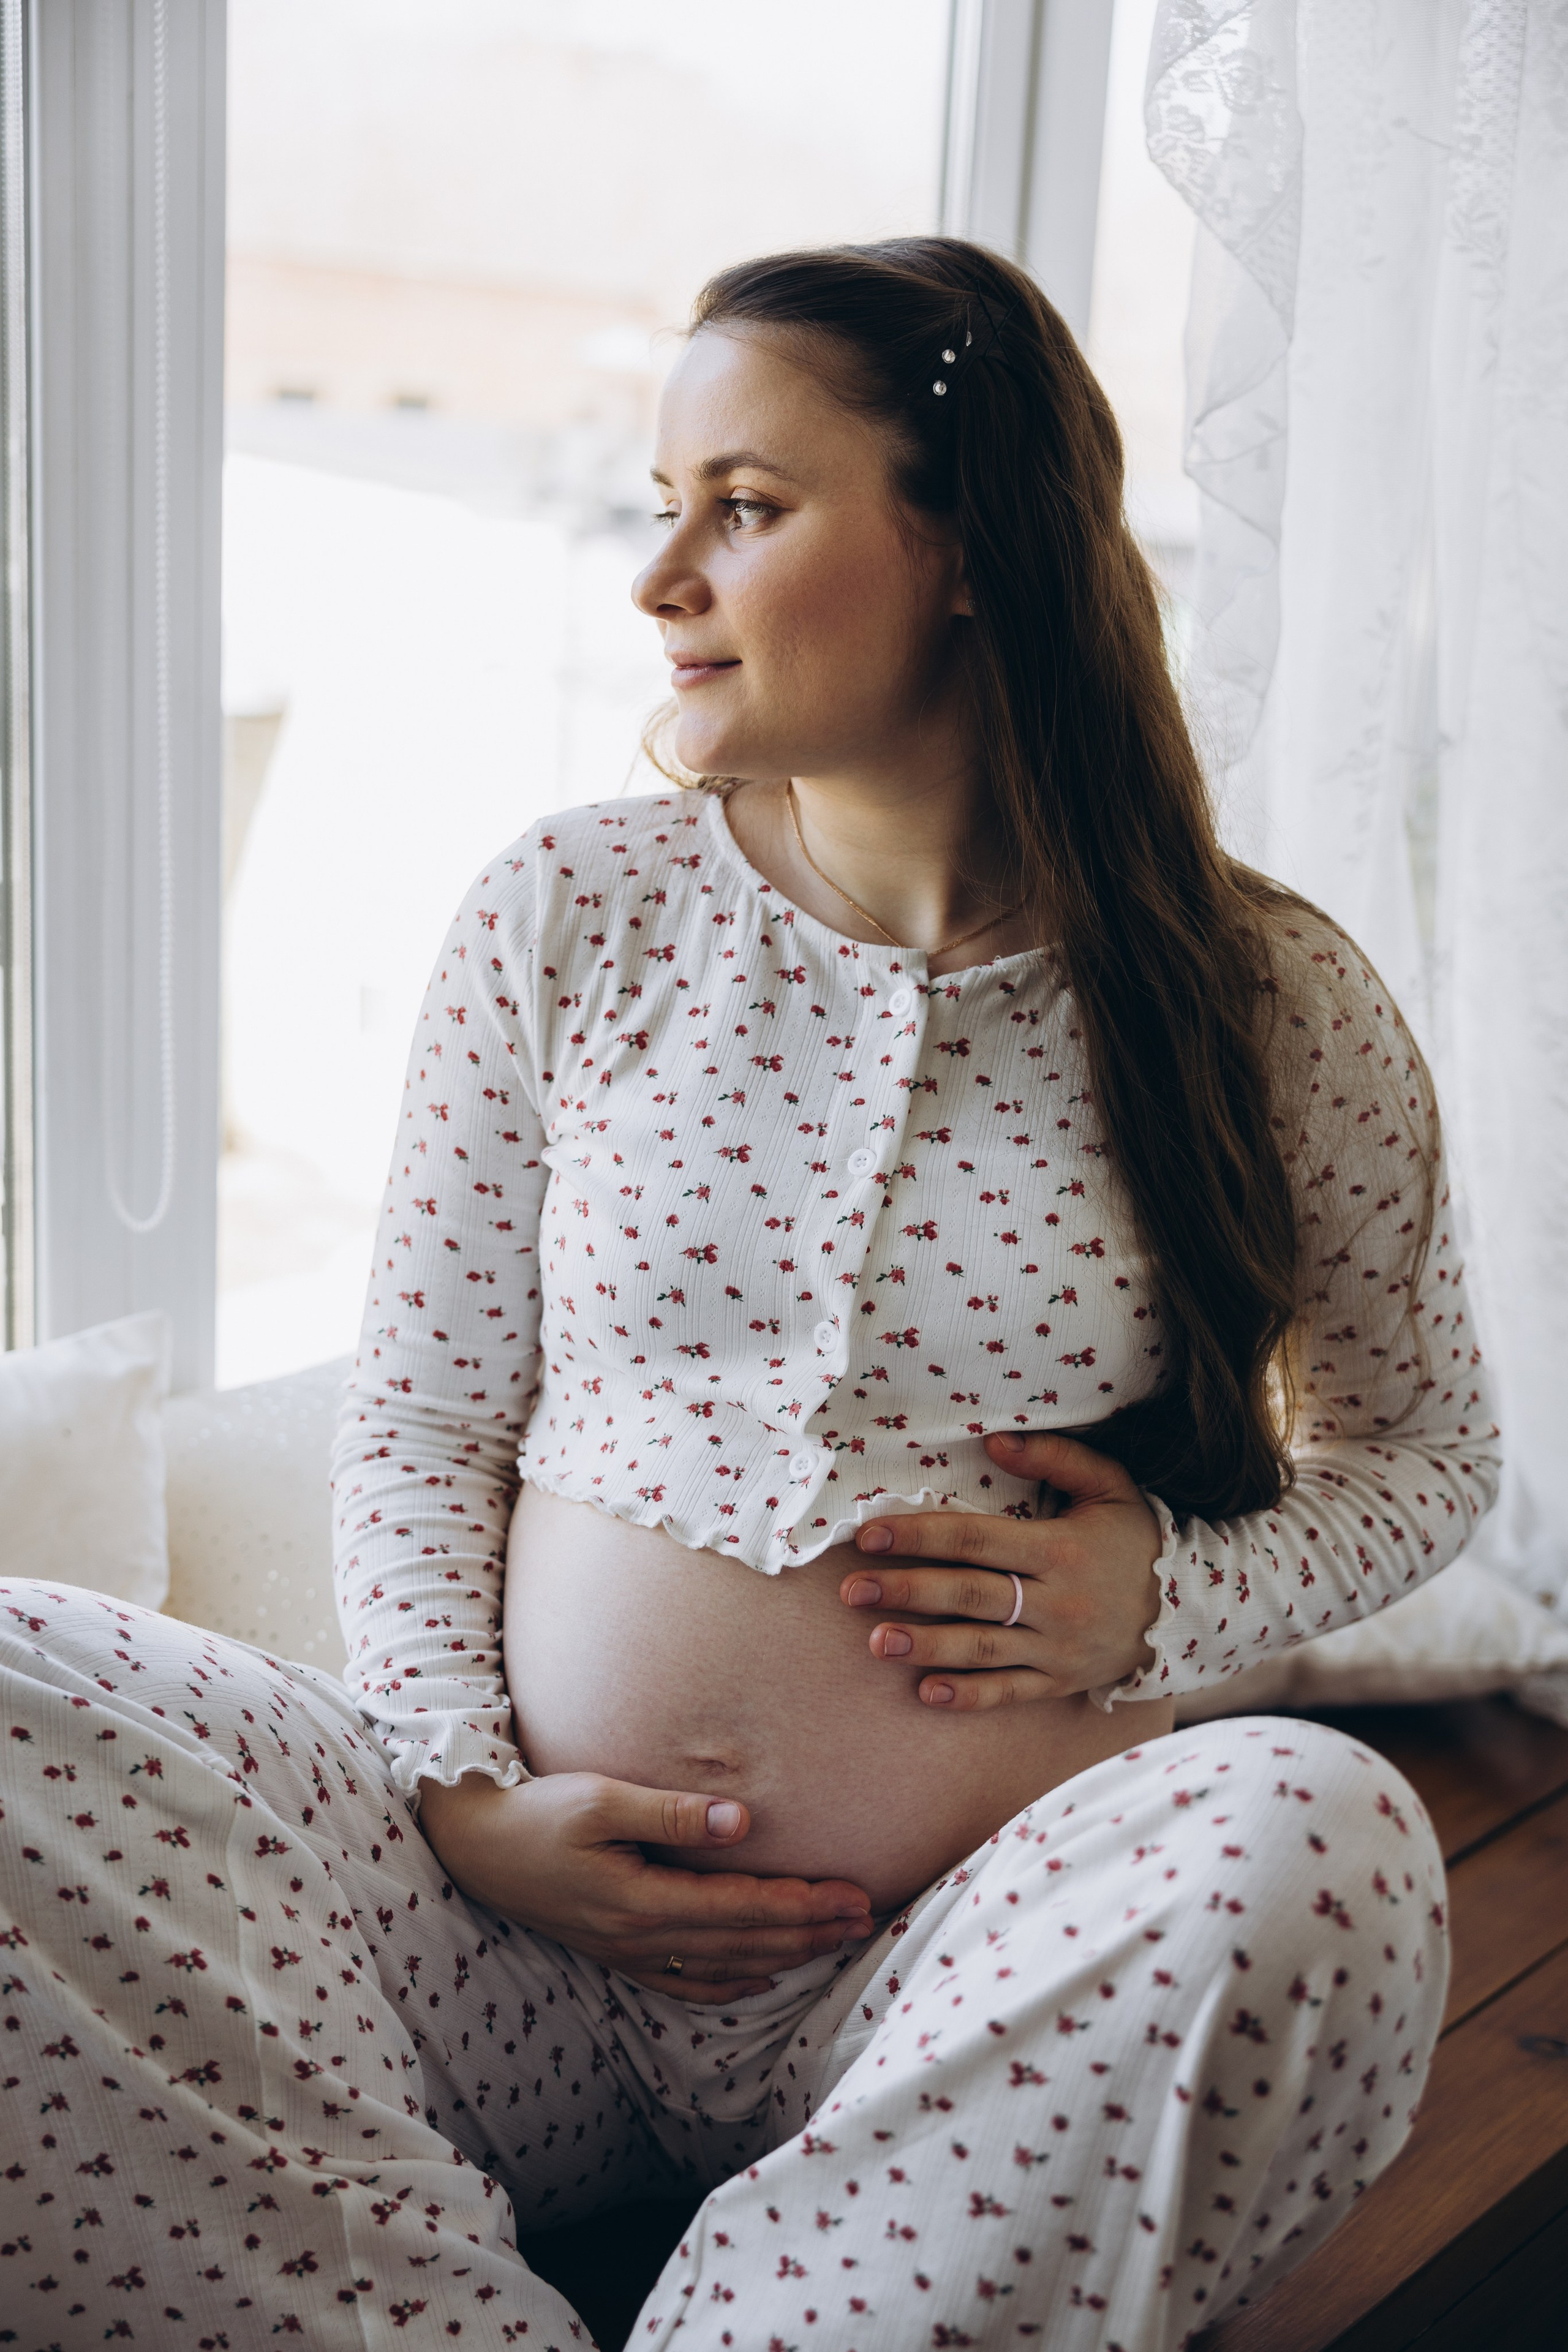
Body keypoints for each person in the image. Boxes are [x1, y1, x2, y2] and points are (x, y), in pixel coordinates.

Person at [0, 239, 1496, 2351]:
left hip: (947, 1990)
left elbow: (1427, 1459)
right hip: (481, 1945)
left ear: (970, 546)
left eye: (750, 505)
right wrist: (462, 1791)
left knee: (1324, 1838)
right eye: (663, 507)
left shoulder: (1267, 1001)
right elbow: (424, 1420)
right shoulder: (570, 911)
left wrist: (1157, 1595)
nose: (662, 580)